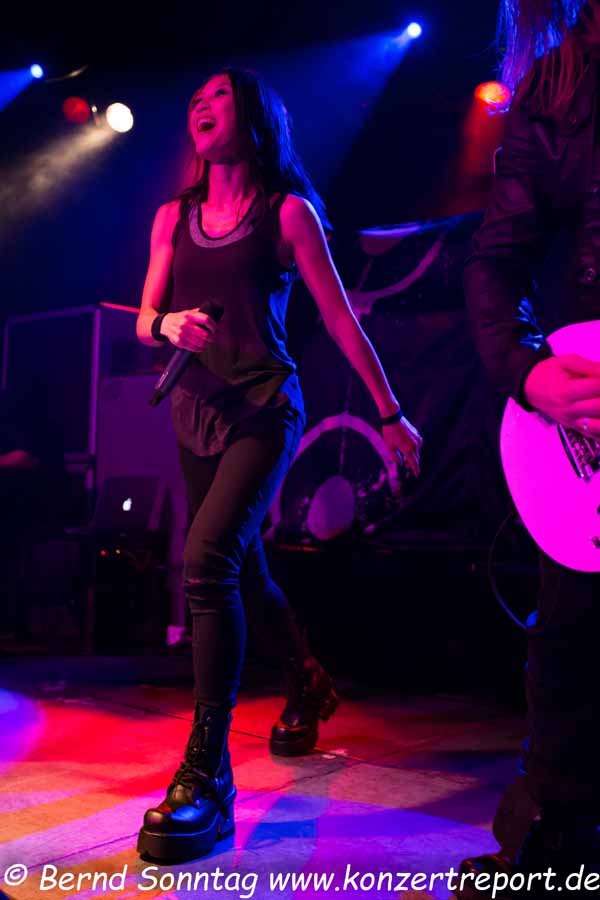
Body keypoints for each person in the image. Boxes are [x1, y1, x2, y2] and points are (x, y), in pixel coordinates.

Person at [134, 66, 422, 862]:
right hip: (196, 412)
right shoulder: (172, 217)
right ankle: (305, 679)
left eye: (219, 96)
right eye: (194, 98)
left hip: (264, 409)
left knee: (206, 560)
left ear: (255, 116)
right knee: (244, 566)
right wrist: (167, 326)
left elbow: (338, 317)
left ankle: (208, 773)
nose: (201, 104)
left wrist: (390, 412)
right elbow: (145, 315)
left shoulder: (288, 213)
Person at [459, 0, 600, 891]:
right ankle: (551, 851)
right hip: (590, 419)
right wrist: (529, 370)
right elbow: (495, 259)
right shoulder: (558, 84)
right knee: (571, 647)